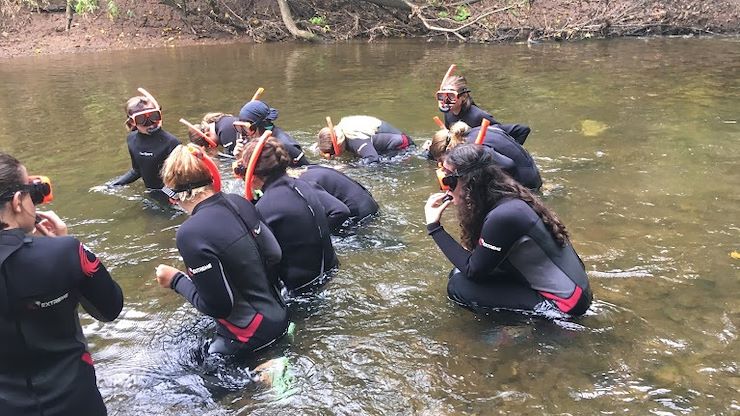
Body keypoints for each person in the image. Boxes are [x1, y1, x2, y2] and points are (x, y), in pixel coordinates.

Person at [0, 152, 124, 416]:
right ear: (17, 202)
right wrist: (64, 246)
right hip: (77, 402)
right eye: (31, 192)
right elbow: (110, 307)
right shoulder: (64, 252)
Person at [424, 144, 592, 316]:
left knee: (459, 286)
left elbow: (473, 271)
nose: (444, 187)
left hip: (564, 304)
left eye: (449, 181)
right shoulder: (503, 196)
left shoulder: (503, 216)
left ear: (471, 183)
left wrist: (434, 227)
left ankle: (520, 331)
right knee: (457, 273)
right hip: (575, 289)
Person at [155, 145, 289, 358]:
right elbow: (274, 254)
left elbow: (219, 307)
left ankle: (263, 372)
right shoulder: (239, 203)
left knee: (199, 382)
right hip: (281, 314)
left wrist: (175, 280)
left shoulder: (190, 233)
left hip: (249, 338)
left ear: (175, 194)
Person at [239, 138, 347, 293]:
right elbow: (340, 210)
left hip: (301, 290)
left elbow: (261, 260)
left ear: (252, 175)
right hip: (331, 271)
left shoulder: (264, 207)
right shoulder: (306, 185)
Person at [429, 121, 542, 191]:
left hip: (528, 185)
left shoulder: (474, 148)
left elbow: (509, 165)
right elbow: (521, 130)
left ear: (448, 151)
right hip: (533, 172)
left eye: (441, 160)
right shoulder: (476, 131)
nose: (442, 166)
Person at [111, 94, 180, 205]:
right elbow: (137, 170)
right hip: (151, 194)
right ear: (132, 122)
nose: (150, 123)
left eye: (154, 116)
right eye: (141, 119)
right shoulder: (131, 139)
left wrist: (176, 197)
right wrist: (114, 185)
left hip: (171, 196)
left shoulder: (171, 143)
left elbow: (184, 177)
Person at [437, 75, 531, 145]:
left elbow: (522, 130)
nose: (446, 101)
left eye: (451, 96)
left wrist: (513, 154)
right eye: (442, 96)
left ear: (463, 97)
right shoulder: (448, 113)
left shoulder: (478, 116)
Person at [299, 165, 379, 230]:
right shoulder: (311, 168)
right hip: (370, 203)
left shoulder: (304, 184)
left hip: (361, 214)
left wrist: (322, 233)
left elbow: (341, 211)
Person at [234, 100, 309, 167]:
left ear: (260, 126)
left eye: (245, 128)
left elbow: (308, 170)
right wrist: (241, 159)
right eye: (240, 128)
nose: (243, 134)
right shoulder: (252, 141)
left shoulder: (286, 146)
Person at [317, 115, 414, 164]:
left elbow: (373, 159)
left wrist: (349, 167)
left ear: (338, 146)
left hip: (403, 148)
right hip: (393, 137)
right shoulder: (341, 128)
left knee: (377, 166)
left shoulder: (355, 141)